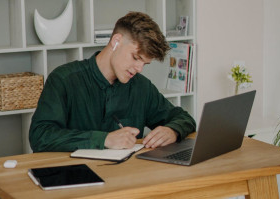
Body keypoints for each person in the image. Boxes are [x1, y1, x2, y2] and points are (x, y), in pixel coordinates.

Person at [29, 12, 196, 152]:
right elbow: (40, 136)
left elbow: (184, 118)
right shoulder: (64, 79)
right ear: (116, 41)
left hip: (127, 180)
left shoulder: (141, 87)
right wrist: (104, 139)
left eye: (144, 63)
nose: (139, 68)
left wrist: (172, 130)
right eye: (136, 58)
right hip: (75, 180)